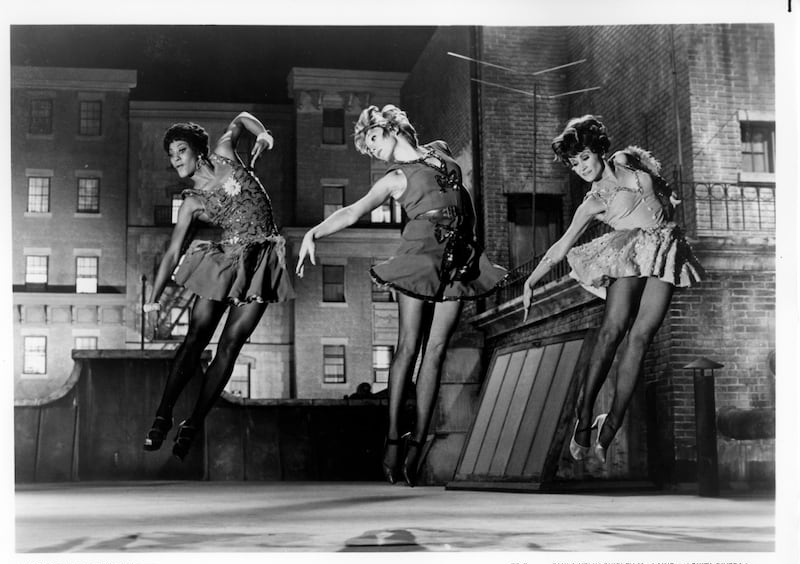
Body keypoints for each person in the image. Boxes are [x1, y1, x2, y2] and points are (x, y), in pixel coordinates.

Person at [296, 104, 506, 486]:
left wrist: (473, 244)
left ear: (390, 128)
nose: (370, 149)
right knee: (408, 346)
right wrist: (314, 233)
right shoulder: (394, 178)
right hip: (419, 255)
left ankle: (418, 443)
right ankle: (393, 439)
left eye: (372, 139)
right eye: (366, 147)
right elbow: (352, 210)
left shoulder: (439, 149)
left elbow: (465, 199)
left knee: (437, 351)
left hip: (457, 257)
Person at [522, 115, 704, 464]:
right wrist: (532, 280)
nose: (581, 168)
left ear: (599, 151)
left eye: (584, 158)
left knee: (641, 338)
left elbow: (659, 185)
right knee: (612, 332)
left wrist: (669, 198)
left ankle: (613, 421)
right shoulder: (592, 202)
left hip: (665, 249)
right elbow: (560, 247)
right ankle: (585, 414)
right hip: (631, 255)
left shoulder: (625, 159)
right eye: (573, 165)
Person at [142, 113, 294, 460]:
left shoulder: (225, 152)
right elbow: (172, 252)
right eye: (171, 154)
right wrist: (154, 299)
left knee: (231, 345)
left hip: (262, 261)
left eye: (181, 150)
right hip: (225, 261)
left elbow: (242, 119)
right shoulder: (193, 203)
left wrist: (264, 133)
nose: (175, 158)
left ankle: (193, 423)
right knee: (195, 338)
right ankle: (162, 415)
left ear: (198, 150)